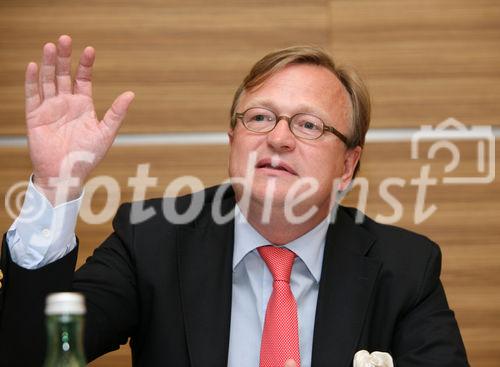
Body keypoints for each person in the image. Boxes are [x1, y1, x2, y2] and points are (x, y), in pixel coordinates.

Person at [0, 35, 469, 367]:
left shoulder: (406, 268)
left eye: (308, 125)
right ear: (233, 139)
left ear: (348, 165)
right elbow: (32, 353)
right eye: (261, 117)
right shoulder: (153, 239)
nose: (279, 139)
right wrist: (55, 187)